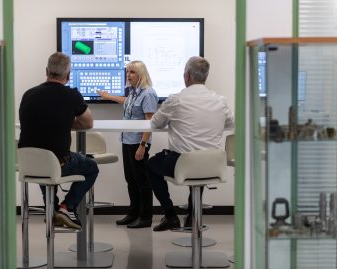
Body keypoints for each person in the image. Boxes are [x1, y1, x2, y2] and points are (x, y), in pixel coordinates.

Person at [147, 56, 234, 231]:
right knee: (199, 165)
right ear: (205, 77)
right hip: (213, 164)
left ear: (186, 76)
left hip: (182, 163)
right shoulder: (220, 100)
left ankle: (170, 215)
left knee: (150, 166)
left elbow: (155, 123)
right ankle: (193, 216)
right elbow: (231, 123)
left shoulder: (175, 100)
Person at [18, 52, 99, 230]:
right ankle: (65, 208)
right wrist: (67, 122)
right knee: (91, 167)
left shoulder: (28, 94)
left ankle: (51, 208)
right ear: (68, 76)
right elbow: (88, 123)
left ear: (47, 71)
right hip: (57, 163)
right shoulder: (71, 95)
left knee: (43, 160)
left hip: (28, 163)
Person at [97, 60, 158, 228]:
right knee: (130, 179)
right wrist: (108, 97)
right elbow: (126, 101)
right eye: (128, 72)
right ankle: (133, 213)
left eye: (132, 72)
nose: (128, 75)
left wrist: (142, 146)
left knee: (142, 181)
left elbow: (149, 122)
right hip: (127, 140)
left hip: (139, 143)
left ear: (141, 75)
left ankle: (145, 217)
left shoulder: (148, 94)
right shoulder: (133, 92)